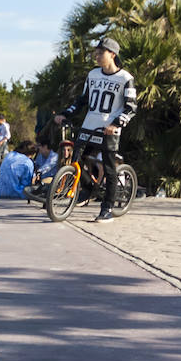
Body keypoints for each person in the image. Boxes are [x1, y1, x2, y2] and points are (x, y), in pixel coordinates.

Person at [54, 37, 137, 223]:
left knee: (109, 169)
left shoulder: (126, 78)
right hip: (88, 125)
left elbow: (131, 108)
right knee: (76, 159)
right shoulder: (92, 75)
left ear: (112, 54)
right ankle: (84, 189)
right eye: (96, 53)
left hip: (109, 130)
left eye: (101, 53)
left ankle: (106, 209)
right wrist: (64, 114)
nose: (97, 56)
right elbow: (82, 100)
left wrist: (116, 124)